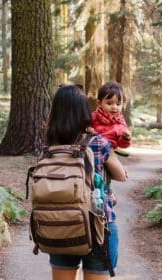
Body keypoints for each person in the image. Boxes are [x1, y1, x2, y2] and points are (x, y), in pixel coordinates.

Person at [46, 85, 127, 280]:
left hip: (59, 224)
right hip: (97, 224)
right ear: (84, 111)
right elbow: (121, 175)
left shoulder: (48, 144)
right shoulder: (97, 142)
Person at [90, 81, 132, 151]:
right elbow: (82, 129)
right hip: (91, 150)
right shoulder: (94, 116)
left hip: (109, 153)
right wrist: (88, 129)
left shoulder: (120, 123)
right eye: (109, 103)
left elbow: (122, 144)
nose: (114, 107)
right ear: (99, 103)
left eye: (118, 104)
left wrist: (125, 138)